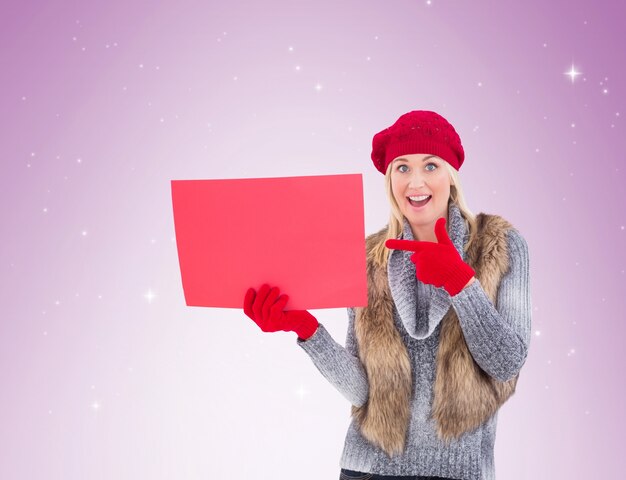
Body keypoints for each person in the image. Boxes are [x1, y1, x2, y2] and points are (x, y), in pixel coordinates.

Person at [243, 110, 532, 480]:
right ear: (389, 179)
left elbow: (507, 363)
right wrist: (306, 329)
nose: (415, 182)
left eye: (430, 166)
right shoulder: (369, 259)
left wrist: (460, 282)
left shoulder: (501, 246)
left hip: (457, 471)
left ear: (451, 176)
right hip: (368, 469)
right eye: (402, 167)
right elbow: (362, 391)